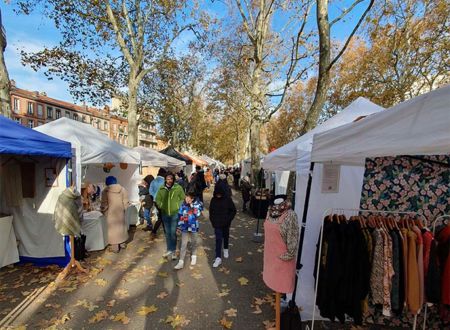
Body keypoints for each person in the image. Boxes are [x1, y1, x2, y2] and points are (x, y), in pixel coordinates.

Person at [155, 172, 185, 260]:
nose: (169, 181)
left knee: (173, 233)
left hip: (174, 214)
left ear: (173, 179)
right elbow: (157, 199)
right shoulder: (161, 188)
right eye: (168, 179)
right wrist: (161, 206)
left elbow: (182, 198)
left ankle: (174, 250)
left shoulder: (178, 188)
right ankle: (169, 249)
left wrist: (177, 206)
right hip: (165, 214)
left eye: (171, 179)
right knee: (167, 233)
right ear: (165, 180)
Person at [174, 191, 203, 270]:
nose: (186, 199)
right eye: (186, 197)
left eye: (188, 197)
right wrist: (179, 226)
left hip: (194, 226)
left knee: (194, 242)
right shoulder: (183, 205)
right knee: (183, 244)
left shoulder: (197, 204)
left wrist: (192, 206)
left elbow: (197, 214)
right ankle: (181, 261)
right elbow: (180, 215)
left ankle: (194, 255)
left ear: (192, 198)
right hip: (185, 227)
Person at [209, 184, 237, 268]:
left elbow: (233, 210)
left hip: (226, 223)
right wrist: (213, 221)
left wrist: (228, 219)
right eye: (217, 194)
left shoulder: (228, 199)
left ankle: (225, 249)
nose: (218, 195)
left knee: (226, 236)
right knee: (218, 239)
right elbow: (211, 212)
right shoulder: (213, 200)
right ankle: (218, 257)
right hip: (217, 223)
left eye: (219, 194)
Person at [101, 176, 129, 253]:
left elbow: (104, 204)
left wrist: (103, 210)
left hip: (111, 213)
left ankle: (115, 247)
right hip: (120, 212)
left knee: (113, 230)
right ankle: (122, 244)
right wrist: (124, 209)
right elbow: (126, 201)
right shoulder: (122, 189)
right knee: (121, 227)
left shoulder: (105, 191)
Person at [150, 168, 166, 236]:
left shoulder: (153, 181)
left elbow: (150, 191)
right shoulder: (165, 181)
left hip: (156, 201)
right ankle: (154, 231)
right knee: (162, 217)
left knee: (162, 216)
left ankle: (155, 231)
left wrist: (155, 197)